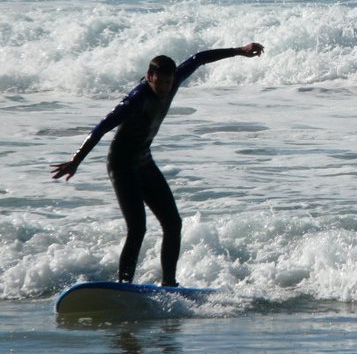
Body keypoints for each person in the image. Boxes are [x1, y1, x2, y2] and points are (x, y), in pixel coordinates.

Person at [51, 43, 264, 286]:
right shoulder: (136, 99)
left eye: (168, 82)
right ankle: (124, 286)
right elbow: (101, 127)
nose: (164, 88)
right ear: (149, 77)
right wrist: (76, 160)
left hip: (144, 161)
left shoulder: (173, 81)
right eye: (159, 82)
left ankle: (169, 284)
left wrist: (238, 51)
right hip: (121, 164)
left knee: (173, 223)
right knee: (137, 228)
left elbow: (198, 58)